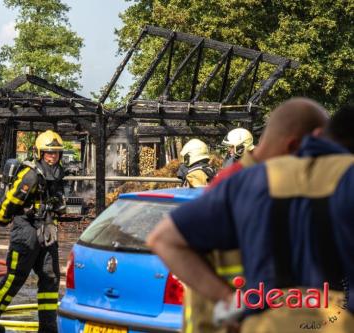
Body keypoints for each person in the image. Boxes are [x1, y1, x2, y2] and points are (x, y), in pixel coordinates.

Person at [147, 103, 354, 333]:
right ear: (302, 144)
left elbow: (165, 239)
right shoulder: (247, 182)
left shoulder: (244, 183)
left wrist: (234, 304)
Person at [0, 130, 66, 333]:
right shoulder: (30, 174)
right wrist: (2, 219)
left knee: (50, 279)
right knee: (16, 277)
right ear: (40, 153)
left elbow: (56, 202)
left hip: (47, 232)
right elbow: (10, 201)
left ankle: (48, 328)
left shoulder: (58, 173)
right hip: (25, 232)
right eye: (49, 153)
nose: (53, 156)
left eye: (56, 153)